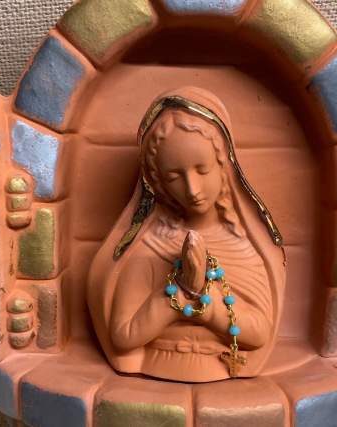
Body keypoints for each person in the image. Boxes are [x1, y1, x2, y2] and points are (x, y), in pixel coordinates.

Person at [87, 87, 286, 382]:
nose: (192, 190)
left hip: (223, 369)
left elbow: (259, 333)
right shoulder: (150, 247)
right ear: (158, 182)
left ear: (224, 167)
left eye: (202, 170)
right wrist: (178, 294)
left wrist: (207, 304)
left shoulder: (243, 247)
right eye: (174, 177)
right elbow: (123, 335)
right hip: (157, 368)